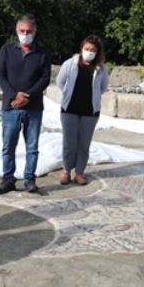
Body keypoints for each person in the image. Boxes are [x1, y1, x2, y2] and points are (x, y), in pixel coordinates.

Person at [0, 14, 52, 194]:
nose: (25, 34)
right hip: (10, 106)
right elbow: (0, 76)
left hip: (33, 107)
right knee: (8, 146)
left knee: (32, 146)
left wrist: (27, 96)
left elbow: (45, 79)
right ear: (16, 31)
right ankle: (8, 178)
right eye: (22, 31)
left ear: (35, 32)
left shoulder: (43, 53)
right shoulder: (7, 50)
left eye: (29, 31)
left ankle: (29, 178)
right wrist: (14, 95)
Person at [55, 35, 109, 185]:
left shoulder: (101, 68)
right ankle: (66, 170)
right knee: (69, 142)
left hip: (90, 112)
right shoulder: (69, 64)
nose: (89, 52)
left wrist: (94, 97)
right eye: (87, 49)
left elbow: (103, 87)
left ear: (97, 52)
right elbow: (60, 81)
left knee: (84, 143)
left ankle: (79, 172)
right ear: (81, 48)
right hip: (69, 109)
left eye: (93, 50)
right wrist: (67, 94)